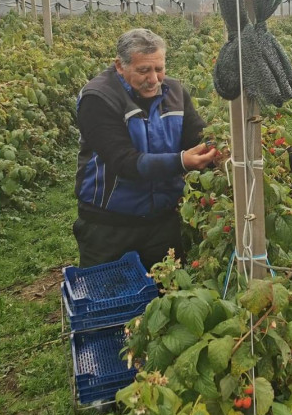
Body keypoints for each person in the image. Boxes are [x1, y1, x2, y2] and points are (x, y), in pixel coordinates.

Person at [74, 28, 218, 269]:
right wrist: (182, 161)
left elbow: (197, 136)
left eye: (159, 69)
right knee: (110, 299)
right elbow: (124, 161)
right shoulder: (98, 98)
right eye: (144, 70)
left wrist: (218, 150)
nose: (154, 79)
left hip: (162, 222)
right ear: (119, 66)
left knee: (167, 296)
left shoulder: (175, 92)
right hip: (109, 226)